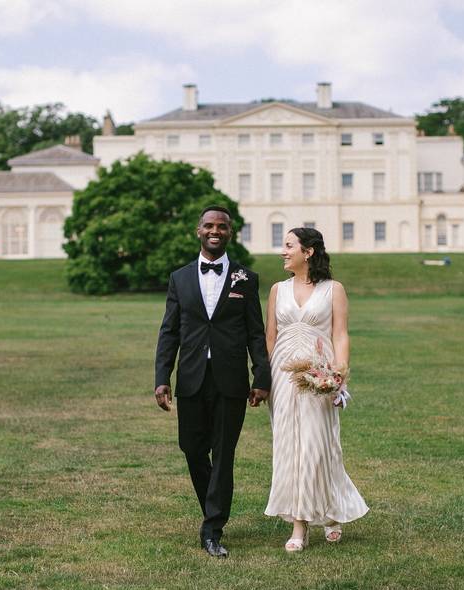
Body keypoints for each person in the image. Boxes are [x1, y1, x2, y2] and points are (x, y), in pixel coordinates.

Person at [154, 206, 271, 558]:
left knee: (223, 454)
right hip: (190, 378)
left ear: (230, 233)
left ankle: (213, 528)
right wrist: (162, 378)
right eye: (209, 225)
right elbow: (169, 331)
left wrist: (260, 376)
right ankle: (212, 505)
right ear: (198, 231)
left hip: (230, 380)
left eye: (222, 226)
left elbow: (255, 333)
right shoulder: (180, 278)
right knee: (191, 448)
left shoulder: (245, 279)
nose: (215, 230)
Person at [264, 227, 368, 552]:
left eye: (289, 246)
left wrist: (339, 376)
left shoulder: (333, 289)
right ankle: (300, 524)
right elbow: (270, 337)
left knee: (318, 445)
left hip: (318, 375)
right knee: (290, 447)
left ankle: (331, 509)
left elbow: (340, 335)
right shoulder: (276, 290)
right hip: (282, 378)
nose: (283, 252)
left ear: (307, 252)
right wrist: (264, 381)